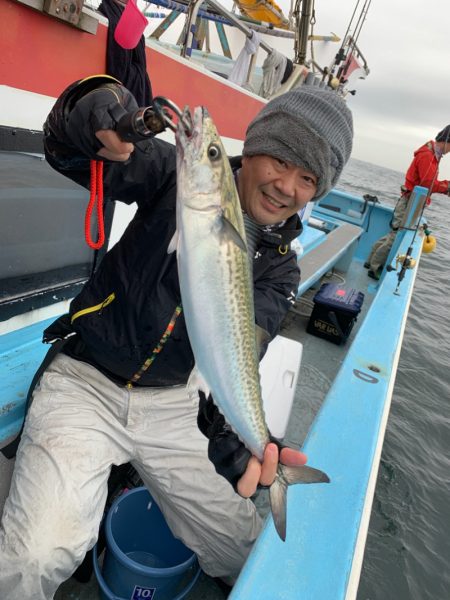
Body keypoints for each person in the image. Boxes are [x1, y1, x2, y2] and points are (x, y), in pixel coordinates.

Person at [0, 77, 353, 599]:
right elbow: (67, 152)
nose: (288, 187)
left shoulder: (280, 271)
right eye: (280, 161)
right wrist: (89, 108)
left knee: (247, 548)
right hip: (85, 383)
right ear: (251, 150)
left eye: (308, 179)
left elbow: (240, 353)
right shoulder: (172, 175)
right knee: (33, 557)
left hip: (177, 403)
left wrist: (231, 434)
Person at [366, 125, 450, 279]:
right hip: (409, 202)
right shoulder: (427, 155)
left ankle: (370, 260)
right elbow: (427, 183)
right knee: (396, 236)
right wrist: (446, 187)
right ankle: (374, 267)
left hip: (411, 201)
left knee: (394, 233)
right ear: (446, 141)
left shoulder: (432, 155)